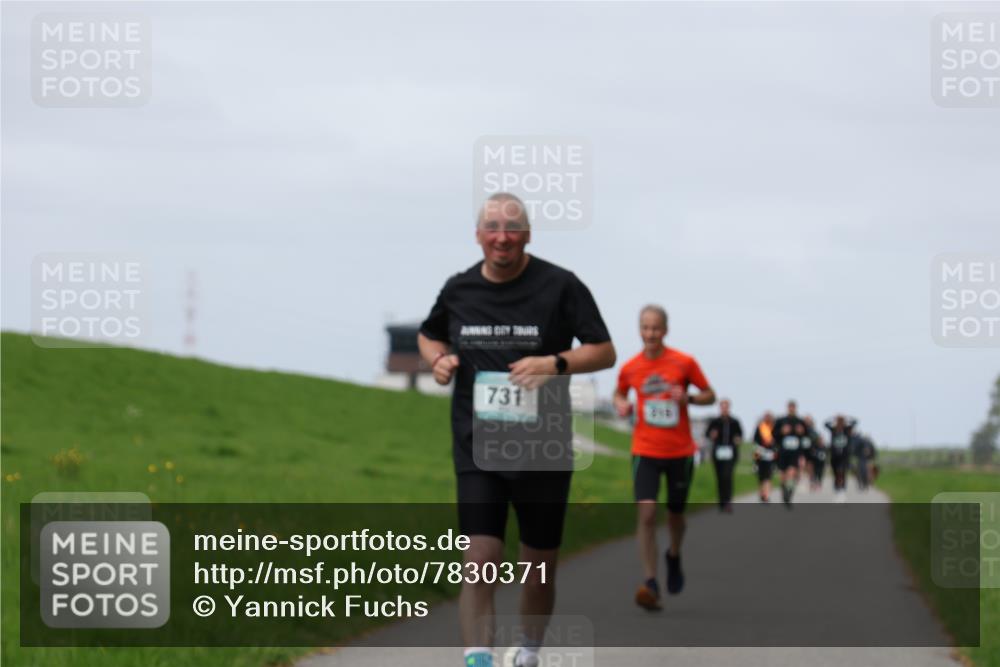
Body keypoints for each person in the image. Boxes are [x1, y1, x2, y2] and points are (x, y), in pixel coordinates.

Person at [417, 193, 616, 667]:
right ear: (478, 235)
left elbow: (604, 351)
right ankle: (479, 659)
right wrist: (438, 360)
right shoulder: (459, 289)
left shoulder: (560, 285)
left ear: (527, 235)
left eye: (512, 228)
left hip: (543, 449)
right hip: (478, 446)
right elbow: (429, 333)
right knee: (479, 559)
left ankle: (527, 652)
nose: (501, 237)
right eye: (492, 227)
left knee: (538, 567)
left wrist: (554, 363)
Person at [613, 305, 715, 611]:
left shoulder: (684, 362)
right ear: (639, 330)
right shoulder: (630, 367)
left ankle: (674, 554)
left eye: (656, 328)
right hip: (645, 450)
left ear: (665, 330)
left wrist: (690, 398)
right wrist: (621, 404)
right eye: (645, 328)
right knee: (646, 514)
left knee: (675, 516)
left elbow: (709, 394)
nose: (650, 333)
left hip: (679, 452)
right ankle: (650, 581)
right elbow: (619, 393)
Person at [705, 398, 743, 513]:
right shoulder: (715, 422)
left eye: (726, 407)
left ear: (729, 408)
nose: (724, 409)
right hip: (718, 452)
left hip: (730, 452)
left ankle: (728, 502)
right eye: (722, 407)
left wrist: (737, 440)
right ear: (720, 408)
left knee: (727, 476)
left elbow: (740, 435)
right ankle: (721, 502)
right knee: (720, 477)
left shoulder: (734, 422)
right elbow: (707, 434)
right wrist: (712, 435)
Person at [772, 400, 808, 508]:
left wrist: (802, 432)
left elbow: (807, 435)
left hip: (795, 452)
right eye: (790, 407)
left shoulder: (800, 421)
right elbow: (773, 434)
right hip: (783, 452)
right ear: (787, 408)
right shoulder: (781, 420)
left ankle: (789, 494)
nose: (791, 409)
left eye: (793, 407)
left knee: (792, 473)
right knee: (783, 476)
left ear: (795, 408)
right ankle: (784, 492)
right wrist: (782, 431)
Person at [824, 414, 857, 501]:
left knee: (842, 472)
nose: (840, 423)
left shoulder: (847, 430)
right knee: (836, 473)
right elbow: (825, 424)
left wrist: (847, 417)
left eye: (841, 421)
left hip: (844, 456)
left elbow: (855, 422)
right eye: (839, 421)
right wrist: (833, 417)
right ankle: (837, 487)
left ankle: (842, 489)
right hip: (834, 456)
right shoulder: (833, 430)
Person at [752, 412, 777, 502]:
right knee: (761, 477)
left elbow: (776, 440)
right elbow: (755, 440)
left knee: (768, 476)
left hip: (770, 454)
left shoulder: (774, 428)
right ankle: (762, 493)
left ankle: (766, 494)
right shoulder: (760, 427)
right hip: (760, 453)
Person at [805, 415, 827, 492]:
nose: (807, 423)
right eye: (806, 421)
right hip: (805, 452)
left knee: (816, 469)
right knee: (809, 468)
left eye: (809, 421)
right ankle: (811, 482)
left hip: (813, 452)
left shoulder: (814, 432)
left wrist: (820, 445)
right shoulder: (802, 430)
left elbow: (819, 441)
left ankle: (815, 482)